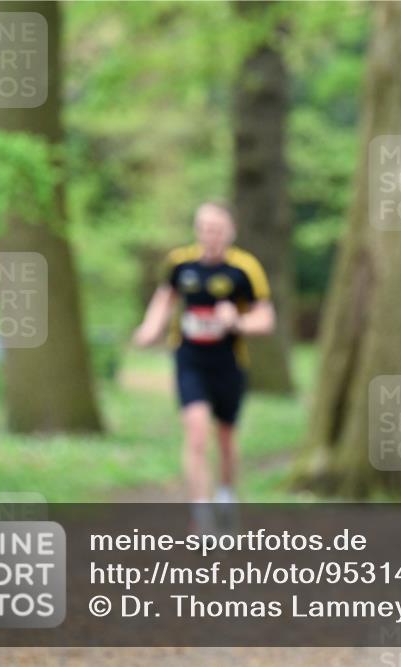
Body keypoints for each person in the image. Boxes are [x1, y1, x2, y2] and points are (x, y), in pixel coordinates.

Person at [133, 202, 276, 532]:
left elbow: (265, 318)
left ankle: (226, 498)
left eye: (217, 230)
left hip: (228, 363)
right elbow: (164, 299)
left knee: (225, 439)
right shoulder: (180, 263)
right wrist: (148, 329)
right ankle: (203, 516)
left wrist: (237, 321)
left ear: (230, 232)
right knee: (196, 432)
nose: (210, 236)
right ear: (197, 230)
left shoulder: (245, 268)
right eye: (205, 229)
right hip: (189, 359)